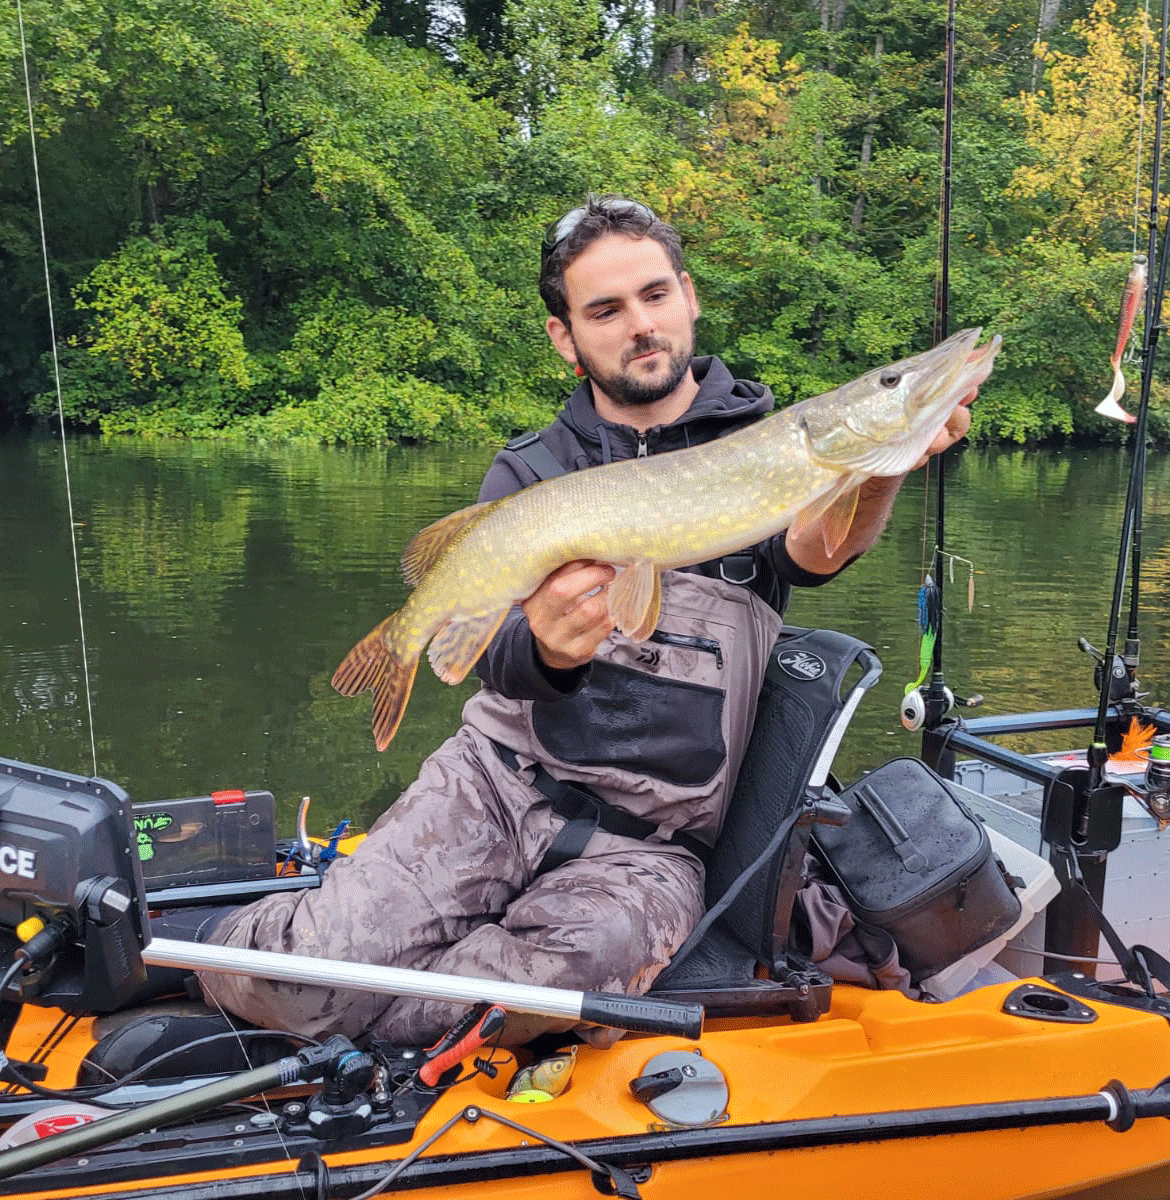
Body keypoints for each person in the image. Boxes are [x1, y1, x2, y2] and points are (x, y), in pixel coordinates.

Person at [197, 195, 973, 1046]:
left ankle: (366, 1017)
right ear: (566, 337)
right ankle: (244, 955)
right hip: (489, 787)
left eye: (654, 295)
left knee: (545, 977)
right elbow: (488, 650)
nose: (639, 325)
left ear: (687, 294)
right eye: (605, 309)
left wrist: (891, 459)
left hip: (650, 848)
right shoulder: (529, 469)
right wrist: (550, 650)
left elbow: (818, 552)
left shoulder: (770, 441)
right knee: (301, 978)